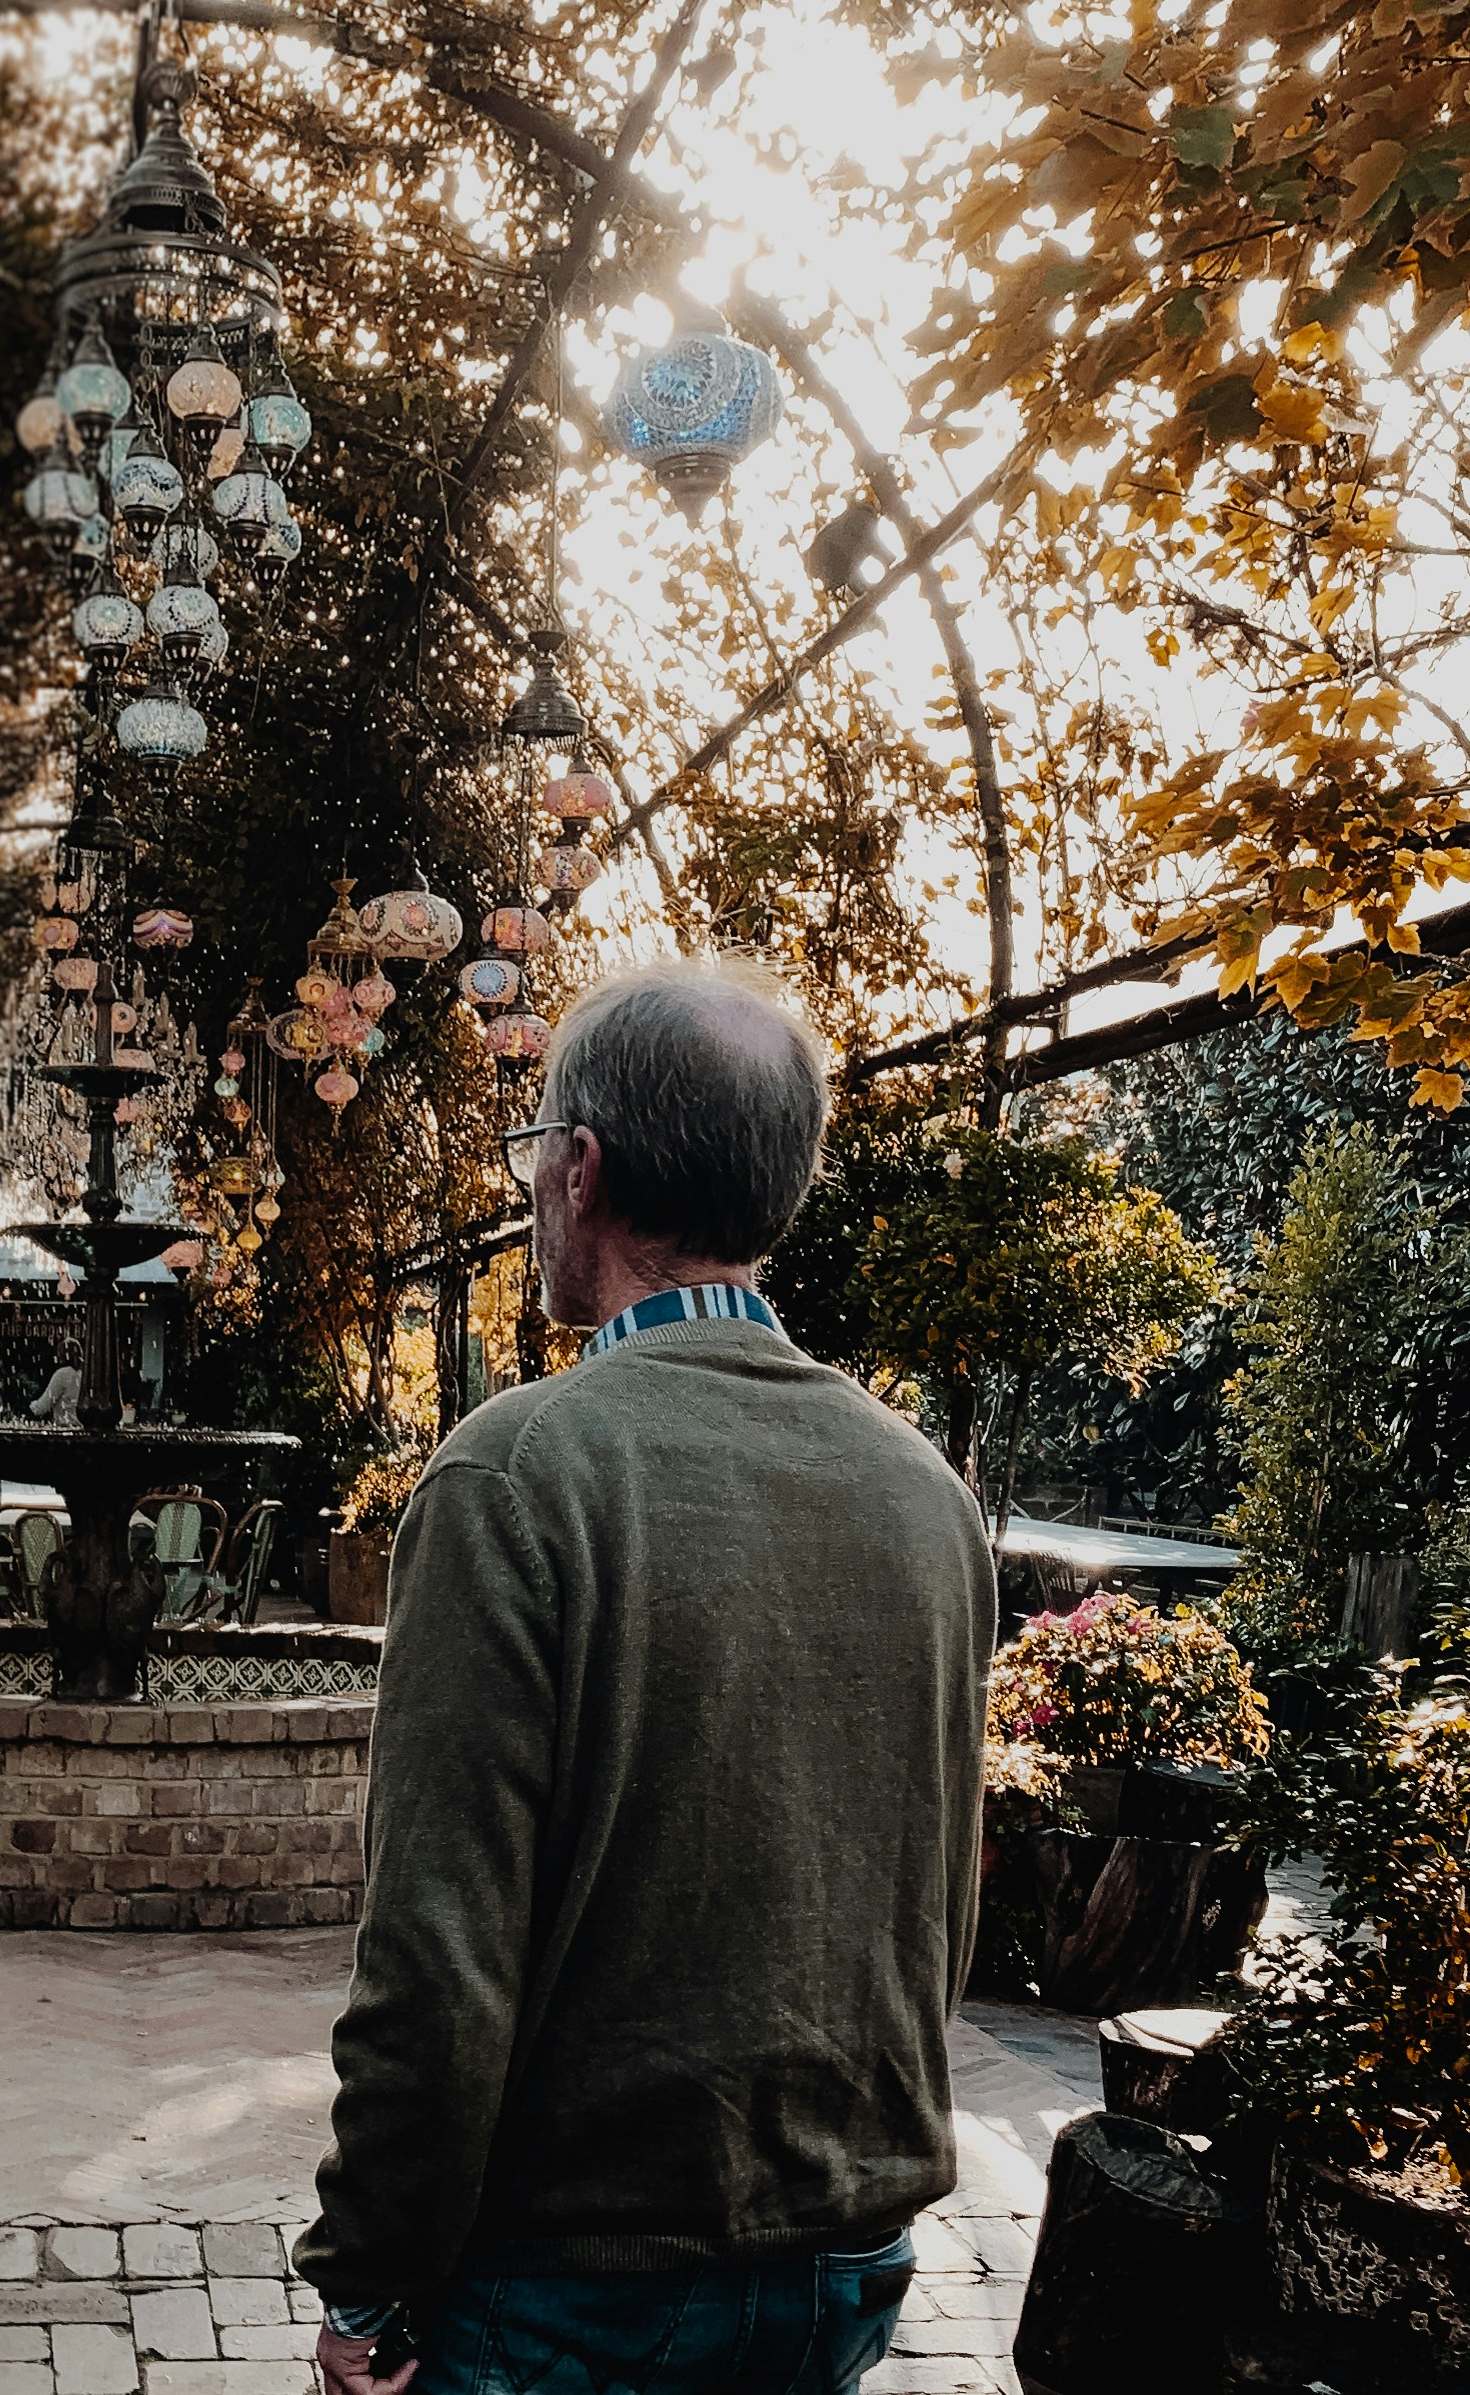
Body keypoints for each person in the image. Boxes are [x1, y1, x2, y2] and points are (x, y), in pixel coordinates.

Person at [297, 956, 993, 2395]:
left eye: (534, 1148)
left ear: (580, 1168)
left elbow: (435, 1956)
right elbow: (939, 1901)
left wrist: (366, 2281)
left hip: (573, 2292)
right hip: (845, 2263)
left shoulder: (516, 1473)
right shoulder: (925, 1491)